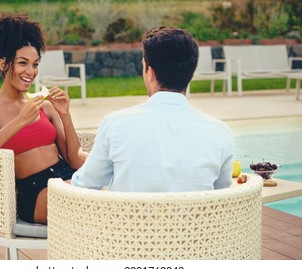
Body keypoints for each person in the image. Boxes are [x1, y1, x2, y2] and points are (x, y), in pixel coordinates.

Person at [71, 26, 234, 192]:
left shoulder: (116, 124)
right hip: (193, 218)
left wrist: (91, 162)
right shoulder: (220, 132)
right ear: (190, 73)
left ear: (150, 73)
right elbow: (223, 193)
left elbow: (85, 184)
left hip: (129, 218)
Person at [0, 13, 85, 224]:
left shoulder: (44, 106)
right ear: (3, 64)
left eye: (35, 64)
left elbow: (74, 158)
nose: (31, 71)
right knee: (90, 200)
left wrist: (65, 115)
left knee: (115, 186)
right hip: (35, 192)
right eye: (23, 63)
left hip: (67, 177)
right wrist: (20, 120)